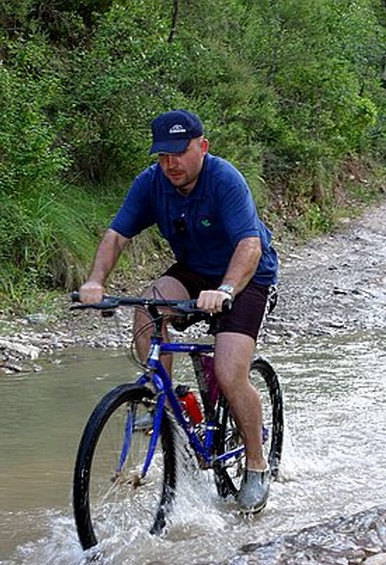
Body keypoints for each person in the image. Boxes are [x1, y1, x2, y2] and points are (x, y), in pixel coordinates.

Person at [78, 109, 280, 514]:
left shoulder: (224, 180)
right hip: (193, 271)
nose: (171, 163)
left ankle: (256, 466)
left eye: (179, 153)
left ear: (201, 147)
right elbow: (117, 234)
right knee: (149, 303)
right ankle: (163, 407)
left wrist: (224, 289)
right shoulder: (152, 184)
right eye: (162, 155)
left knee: (228, 372)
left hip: (246, 277)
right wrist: (95, 281)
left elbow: (249, 246)